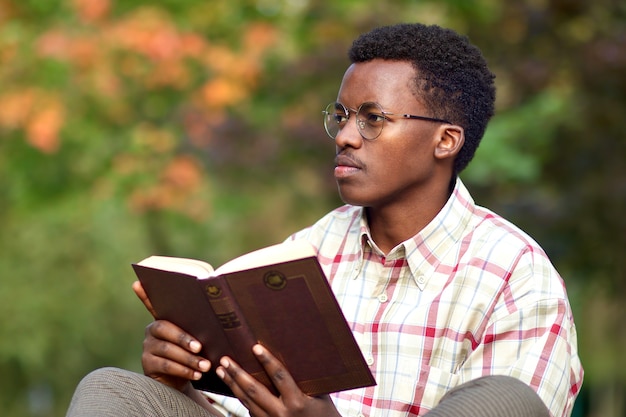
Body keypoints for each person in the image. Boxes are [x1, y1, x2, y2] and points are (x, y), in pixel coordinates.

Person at [66, 23, 583, 417]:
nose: (345, 136)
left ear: (445, 140)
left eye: (373, 119)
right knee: (111, 391)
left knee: (506, 400)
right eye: (341, 115)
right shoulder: (307, 250)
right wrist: (184, 377)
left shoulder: (517, 275)